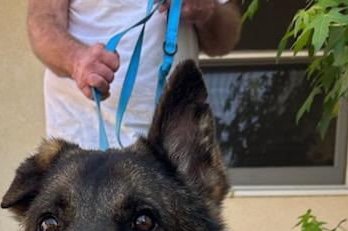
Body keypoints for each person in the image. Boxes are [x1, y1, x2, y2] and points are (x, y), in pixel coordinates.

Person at [28, 0, 242, 148]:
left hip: (176, 137)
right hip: (85, 131)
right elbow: (42, 22)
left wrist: (209, 11)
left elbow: (225, 40)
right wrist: (77, 61)